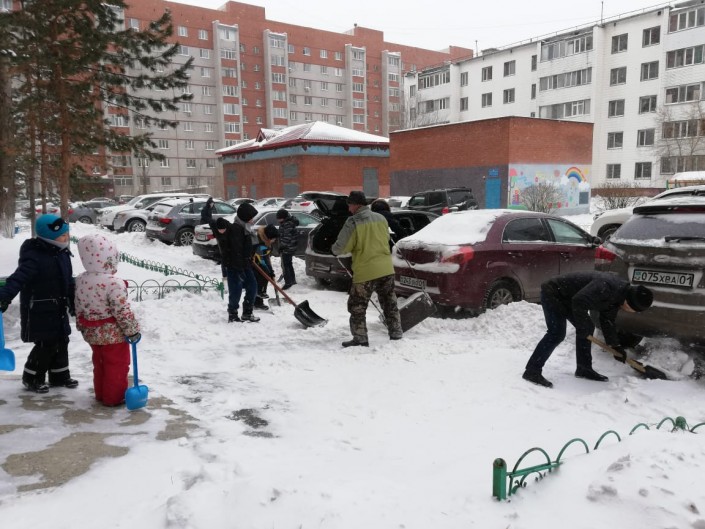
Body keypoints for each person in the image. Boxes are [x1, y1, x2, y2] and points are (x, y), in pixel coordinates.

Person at [523, 271, 654, 388]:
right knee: (557, 333)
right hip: (553, 292)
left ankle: (583, 368)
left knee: (587, 327)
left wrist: (615, 346)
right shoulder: (605, 287)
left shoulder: (618, 296)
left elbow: (607, 321)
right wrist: (582, 326)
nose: (633, 312)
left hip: (569, 297)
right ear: (629, 303)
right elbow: (578, 301)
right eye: (634, 310)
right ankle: (532, 371)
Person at [0, 214, 77, 393]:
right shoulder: (34, 256)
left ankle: (59, 376)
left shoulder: (62, 253)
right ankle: (32, 378)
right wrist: (4, 296)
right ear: (49, 235)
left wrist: (72, 300)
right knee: (46, 344)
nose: (66, 237)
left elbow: (68, 281)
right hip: (40, 309)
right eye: (62, 235)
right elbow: (18, 278)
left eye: (67, 234)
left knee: (62, 341)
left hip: (58, 308)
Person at [75, 234, 140, 406]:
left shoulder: (81, 279)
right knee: (117, 365)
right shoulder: (114, 283)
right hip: (113, 334)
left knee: (100, 363)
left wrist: (80, 325)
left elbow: (78, 304)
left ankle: (101, 393)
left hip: (91, 331)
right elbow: (121, 310)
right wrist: (132, 330)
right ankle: (114, 398)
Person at [331, 191, 403, 347]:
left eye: (350, 205)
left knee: (357, 306)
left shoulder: (353, 222)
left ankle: (360, 338)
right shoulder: (381, 218)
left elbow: (342, 247)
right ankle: (396, 333)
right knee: (389, 303)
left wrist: (334, 250)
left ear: (356, 205)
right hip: (386, 268)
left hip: (366, 271)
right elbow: (385, 239)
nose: (349, 208)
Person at [211, 203, 260, 323]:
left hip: (245, 264)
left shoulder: (245, 228)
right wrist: (240, 269)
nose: (252, 220)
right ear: (245, 217)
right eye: (251, 217)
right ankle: (233, 314)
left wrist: (249, 258)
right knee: (236, 291)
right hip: (234, 266)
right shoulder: (236, 230)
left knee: (253, 287)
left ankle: (247, 313)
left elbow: (246, 248)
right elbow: (236, 251)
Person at [252, 224, 279, 310]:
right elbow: (261, 260)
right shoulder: (258, 242)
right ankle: (258, 296)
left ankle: (258, 302)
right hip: (252, 263)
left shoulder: (266, 241)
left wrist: (271, 271)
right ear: (268, 237)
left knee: (266, 274)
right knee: (261, 277)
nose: (274, 240)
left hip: (259, 261)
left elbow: (266, 257)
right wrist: (268, 271)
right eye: (273, 239)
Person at [276, 208, 299, 290]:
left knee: (285, 265)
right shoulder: (288, 223)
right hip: (290, 247)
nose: (278, 220)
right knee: (289, 264)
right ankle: (292, 280)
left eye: (279, 218)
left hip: (287, 248)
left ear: (283, 217)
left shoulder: (287, 224)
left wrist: (281, 246)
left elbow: (287, 237)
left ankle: (288, 282)